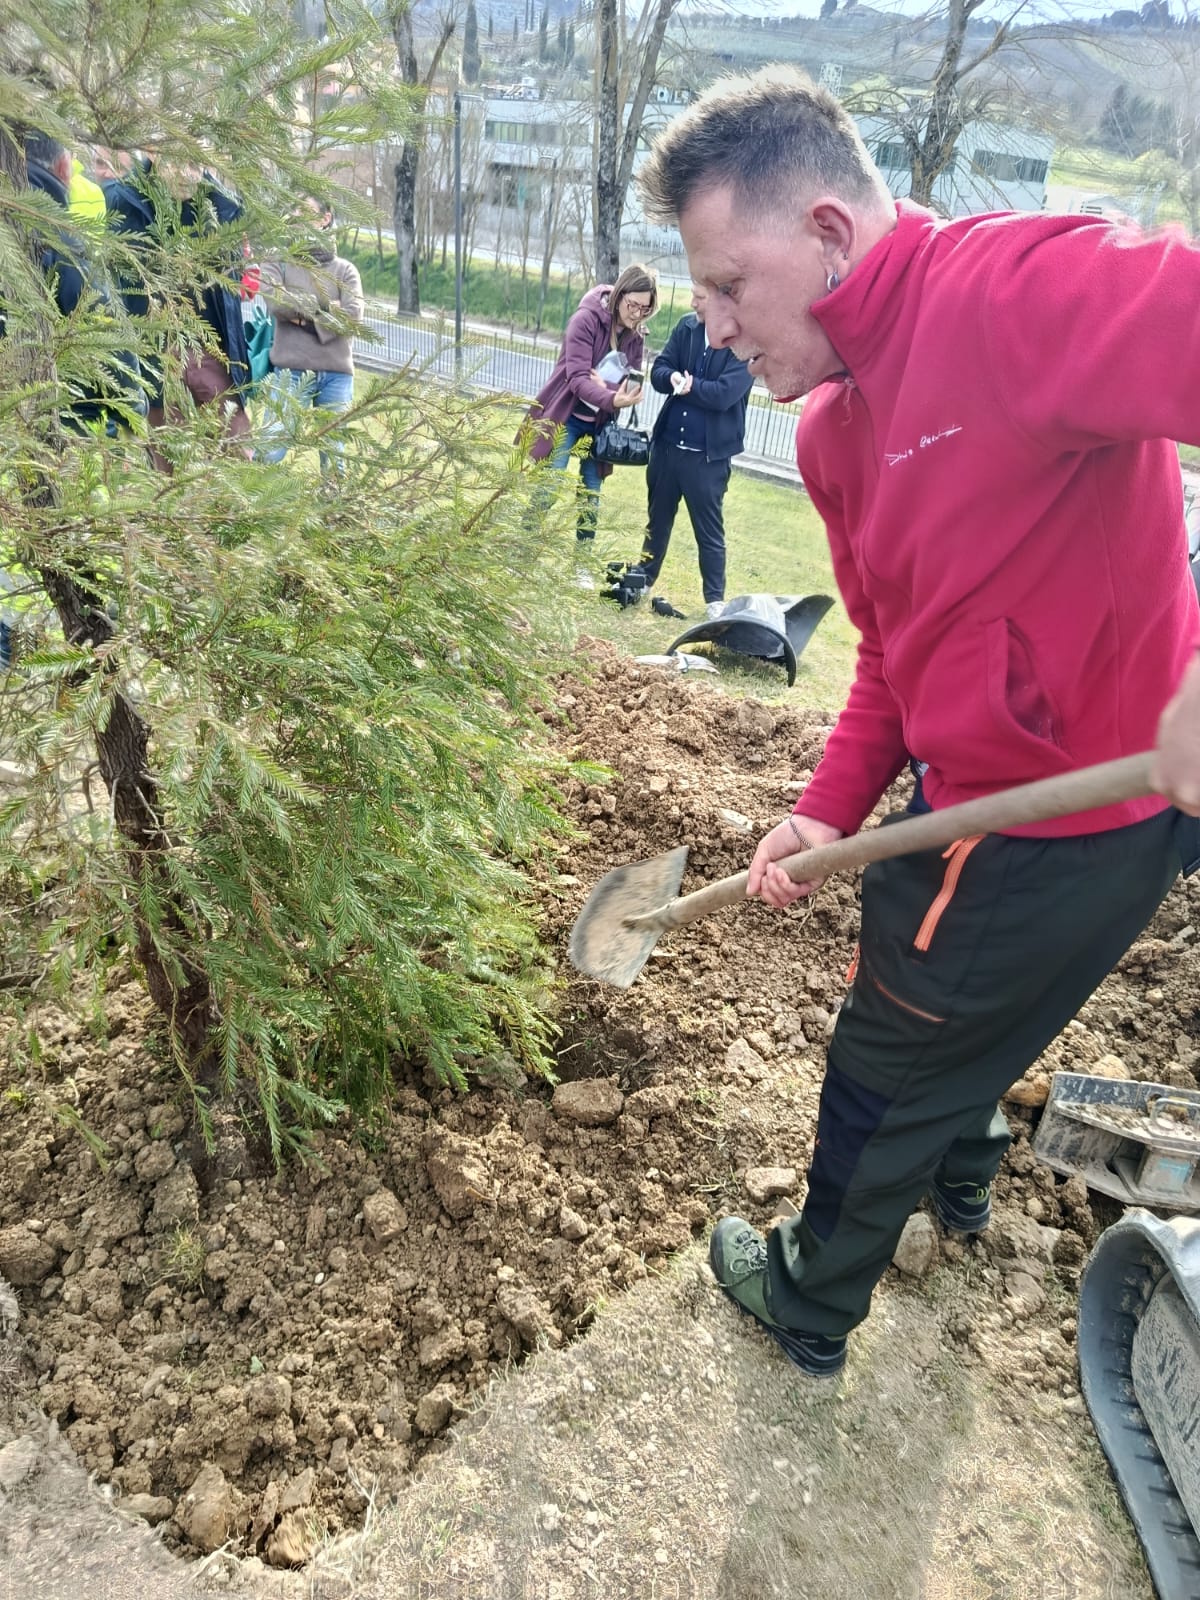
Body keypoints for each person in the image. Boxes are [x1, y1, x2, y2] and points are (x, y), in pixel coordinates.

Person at [636, 66, 1200, 1379]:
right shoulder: (834, 433)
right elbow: (893, 652)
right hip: (1006, 797)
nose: (710, 326)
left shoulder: (1015, 297)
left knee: (885, 1049)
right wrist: (822, 812)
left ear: (830, 233)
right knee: (981, 1016)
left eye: (729, 283)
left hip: (1055, 825)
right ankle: (963, 1172)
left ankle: (809, 1294)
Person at [630, 285, 752, 621]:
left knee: (709, 531)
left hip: (707, 459)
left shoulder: (742, 342)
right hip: (667, 449)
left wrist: (691, 386)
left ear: (720, 300)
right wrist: (672, 378)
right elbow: (659, 370)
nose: (692, 302)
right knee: (657, 519)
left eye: (700, 297)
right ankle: (643, 579)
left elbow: (724, 395)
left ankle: (715, 601)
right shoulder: (686, 327)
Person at [523, 266, 654, 572]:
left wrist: (606, 388)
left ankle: (580, 566)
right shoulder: (585, 319)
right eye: (632, 305)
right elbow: (577, 379)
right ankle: (520, 552)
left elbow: (631, 385)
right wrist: (612, 396)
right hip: (567, 417)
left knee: (590, 495)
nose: (637, 314)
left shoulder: (636, 335)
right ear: (619, 295)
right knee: (550, 487)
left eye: (645, 309)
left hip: (600, 426)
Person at [257, 202, 365, 474]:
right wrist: (328, 308)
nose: (295, 216)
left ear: (325, 218)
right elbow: (276, 302)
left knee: (334, 461)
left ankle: (332, 503)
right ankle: (248, 497)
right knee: (270, 449)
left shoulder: (346, 271)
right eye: (292, 208)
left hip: (336, 374)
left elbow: (352, 316)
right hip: (290, 371)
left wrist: (301, 315)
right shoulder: (277, 262)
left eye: (303, 210)